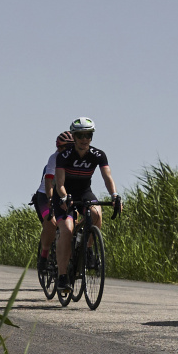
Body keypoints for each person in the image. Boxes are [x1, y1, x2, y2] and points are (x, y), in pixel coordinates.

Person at [52, 118, 122, 293]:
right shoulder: (64, 156)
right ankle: (62, 277)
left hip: (84, 192)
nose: (85, 139)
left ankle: (88, 249)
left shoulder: (98, 155)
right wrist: (64, 197)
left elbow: (107, 177)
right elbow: (59, 183)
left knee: (97, 213)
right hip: (64, 194)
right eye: (81, 135)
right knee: (67, 230)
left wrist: (114, 196)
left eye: (88, 135)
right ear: (74, 137)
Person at [32, 131, 74, 265]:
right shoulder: (54, 158)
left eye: (68, 147)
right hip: (45, 195)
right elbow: (49, 182)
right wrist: (51, 199)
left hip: (65, 194)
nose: (62, 151)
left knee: (75, 223)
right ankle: (44, 255)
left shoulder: (76, 158)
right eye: (61, 148)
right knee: (51, 223)